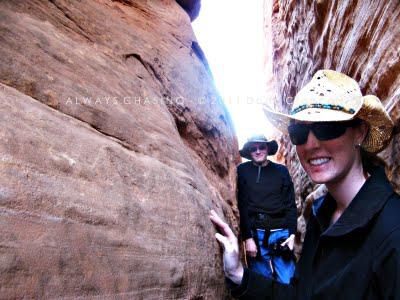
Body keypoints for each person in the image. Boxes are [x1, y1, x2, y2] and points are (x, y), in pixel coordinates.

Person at [210, 69, 400, 299]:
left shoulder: (392, 228)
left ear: (360, 132)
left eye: (327, 126)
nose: (310, 144)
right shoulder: (320, 218)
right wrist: (238, 273)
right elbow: (301, 295)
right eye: (299, 132)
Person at [237, 135, 297, 283]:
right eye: (253, 148)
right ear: (249, 152)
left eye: (261, 147)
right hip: (256, 235)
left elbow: (290, 204)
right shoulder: (242, 171)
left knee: (288, 281)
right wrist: (247, 238)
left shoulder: (281, 171)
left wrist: (292, 234)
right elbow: (242, 205)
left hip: (281, 234)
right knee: (261, 283)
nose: (258, 151)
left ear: (268, 149)